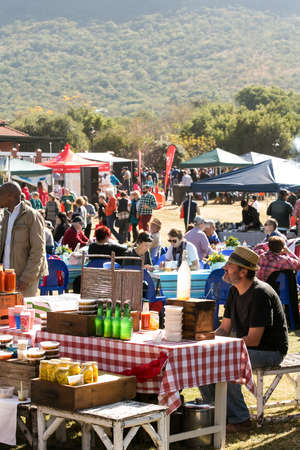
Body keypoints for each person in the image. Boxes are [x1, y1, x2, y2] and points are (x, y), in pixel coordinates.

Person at [200, 246, 288, 432]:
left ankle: (240, 420)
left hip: (270, 351)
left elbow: (254, 339)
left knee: (228, 361)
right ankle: (214, 414)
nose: (224, 268)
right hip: (245, 347)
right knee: (202, 359)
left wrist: (222, 345)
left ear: (244, 271)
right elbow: (224, 329)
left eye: (230, 266)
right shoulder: (234, 291)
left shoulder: (260, 293)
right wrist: (204, 339)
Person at [0, 182, 48, 297]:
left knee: (23, 313)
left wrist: (26, 278)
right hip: (6, 276)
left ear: (10, 196)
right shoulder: (6, 216)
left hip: (25, 279)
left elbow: (38, 250)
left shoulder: (32, 216)